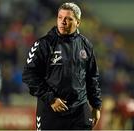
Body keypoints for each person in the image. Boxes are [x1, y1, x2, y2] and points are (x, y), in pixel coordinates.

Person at [22, 2, 102, 130]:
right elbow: (29, 75)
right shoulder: (43, 44)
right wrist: (51, 98)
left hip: (79, 110)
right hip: (50, 110)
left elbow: (92, 77)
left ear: (78, 22)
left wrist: (96, 105)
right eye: (60, 17)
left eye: (68, 19)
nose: (63, 22)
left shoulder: (86, 45)